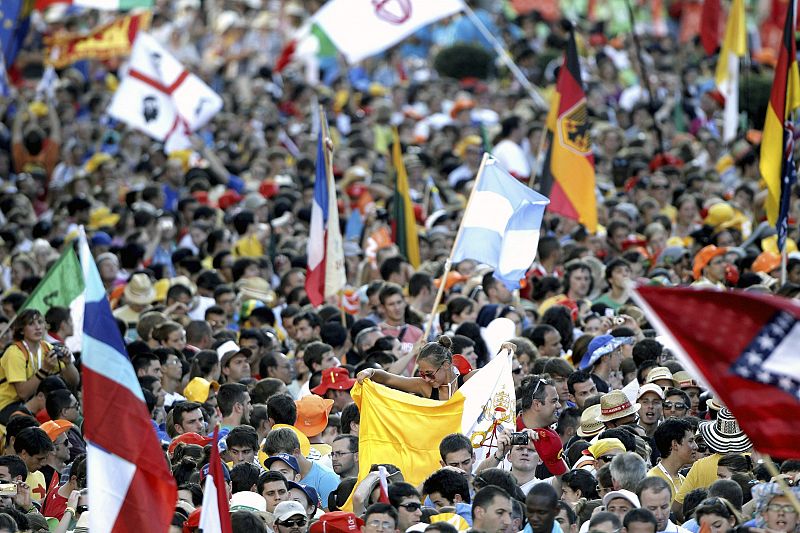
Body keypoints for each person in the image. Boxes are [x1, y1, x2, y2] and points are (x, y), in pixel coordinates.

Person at [0, 310, 79, 424]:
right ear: (22, 330)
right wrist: (45, 369)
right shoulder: (15, 353)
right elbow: (22, 393)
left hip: (33, 401)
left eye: (40, 322)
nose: (38, 327)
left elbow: (74, 381)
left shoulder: (46, 347)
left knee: (58, 386)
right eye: (31, 324)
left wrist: (68, 363)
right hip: (7, 404)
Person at [356, 337, 483, 401]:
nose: (426, 379)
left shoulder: (470, 380)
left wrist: (503, 352)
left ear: (446, 364)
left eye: (430, 374)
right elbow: (389, 378)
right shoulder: (424, 386)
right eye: (422, 374)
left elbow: (499, 372)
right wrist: (370, 372)